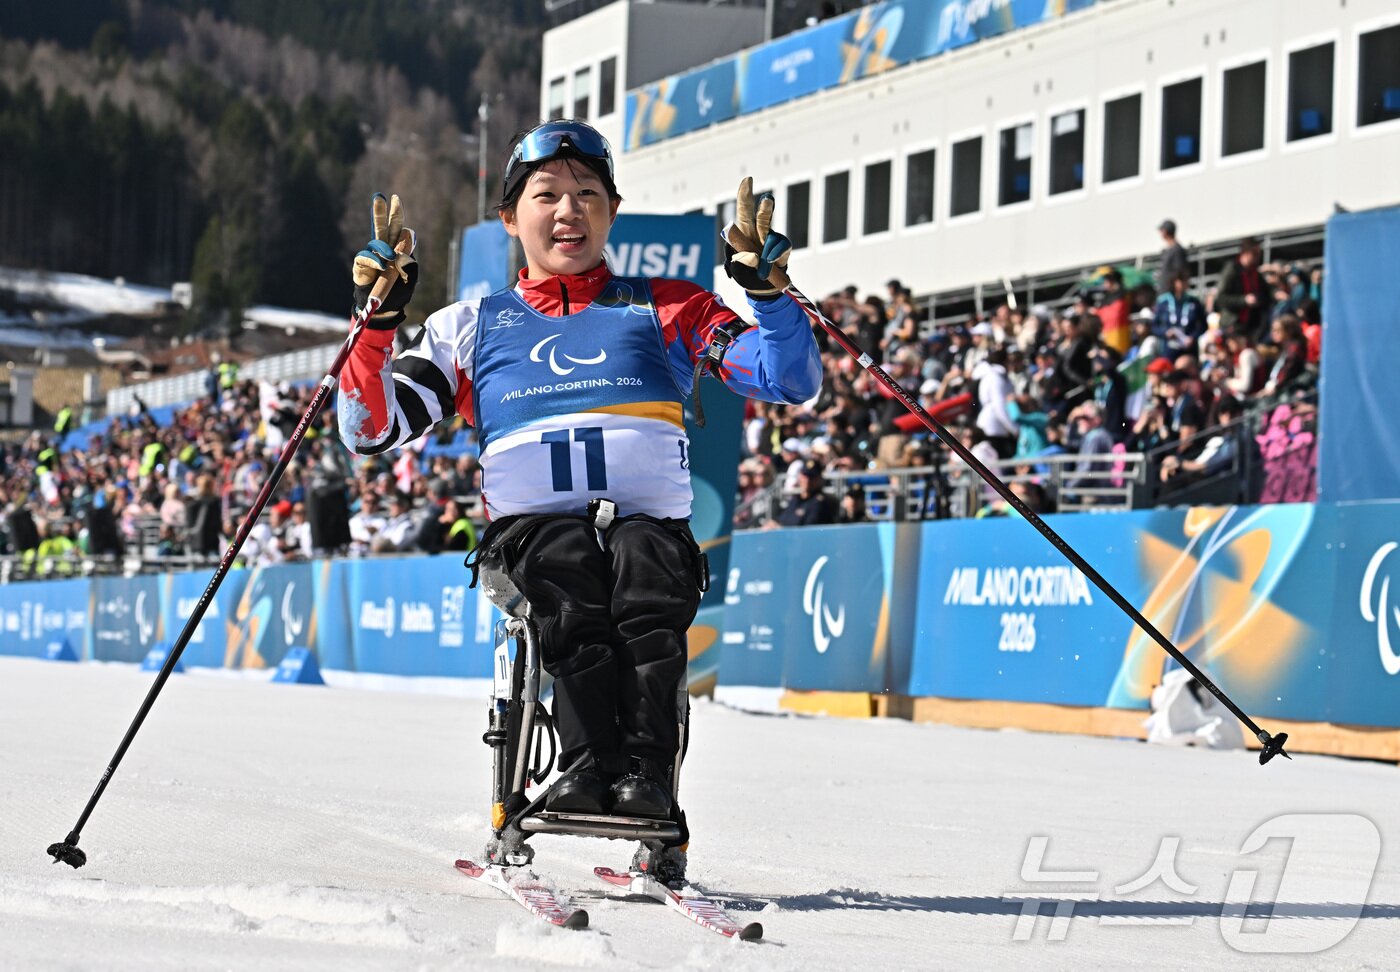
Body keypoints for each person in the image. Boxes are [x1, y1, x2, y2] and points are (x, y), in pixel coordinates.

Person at [336, 121, 821, 827]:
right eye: (547, 195)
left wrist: (770, 300)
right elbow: (369, 428)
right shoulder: (467, 325)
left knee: (644, 568)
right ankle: (588, 765)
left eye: (588, 193)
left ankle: (647, 779)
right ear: (509, 217)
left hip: (651, 528)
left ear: (612, 211)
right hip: (532, 537)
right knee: (567, 568)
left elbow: (786, 377)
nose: (569, 210)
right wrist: (375, 325)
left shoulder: (671, 306)